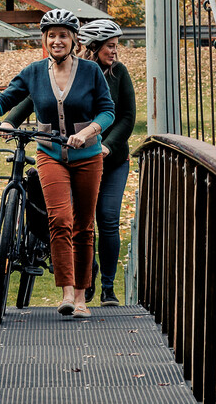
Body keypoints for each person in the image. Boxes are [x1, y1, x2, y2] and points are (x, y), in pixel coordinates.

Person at [0, 9, 115, 318]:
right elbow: (5, 99)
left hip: (87, 157)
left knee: (84, 226)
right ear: (45, 40)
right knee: (60, 220)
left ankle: (83, 297)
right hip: (50, 154)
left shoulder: (90, 72)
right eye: (51, 36)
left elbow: (107, 111)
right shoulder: (33, 72)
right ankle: (67, 292)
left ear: (73, 40)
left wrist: (87, 133)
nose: (56, 41)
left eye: (63, 35)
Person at [79, 17, 135, 305]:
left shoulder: (119, 73)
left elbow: (128, 117)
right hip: (81, 160)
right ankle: (88, 275)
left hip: (113, 160)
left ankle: (109, 288)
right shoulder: (73, 72)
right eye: (110, 46)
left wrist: (109, 147)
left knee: (109, 220)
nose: (115, 51)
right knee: (83, 222)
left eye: (116, 46)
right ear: (94, 47)